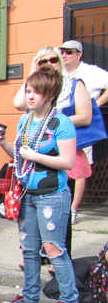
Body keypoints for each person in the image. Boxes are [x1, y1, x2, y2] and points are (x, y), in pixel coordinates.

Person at [0, 65, 79, 303]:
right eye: (28, 91)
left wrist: (35, 155)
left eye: (36, 92)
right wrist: (4, 145)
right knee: (28, 248)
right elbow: (21, 160)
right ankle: (30, 297)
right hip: (27, 194)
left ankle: (69, 301)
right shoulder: (25, 120)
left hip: (53, 195)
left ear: (50, 95)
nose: (30, 96)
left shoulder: (61, 122)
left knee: (53, 249)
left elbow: (68, 162)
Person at [59, 40, 108, 223]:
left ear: (79, 54)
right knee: (60, 164)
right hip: (61, 124)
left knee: (79, 169)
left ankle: (72, 209)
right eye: (62, 51)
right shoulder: (60, 73)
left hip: (81, 127)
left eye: (69, 52)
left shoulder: (91, 71)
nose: (64, 55)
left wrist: (96, 104)